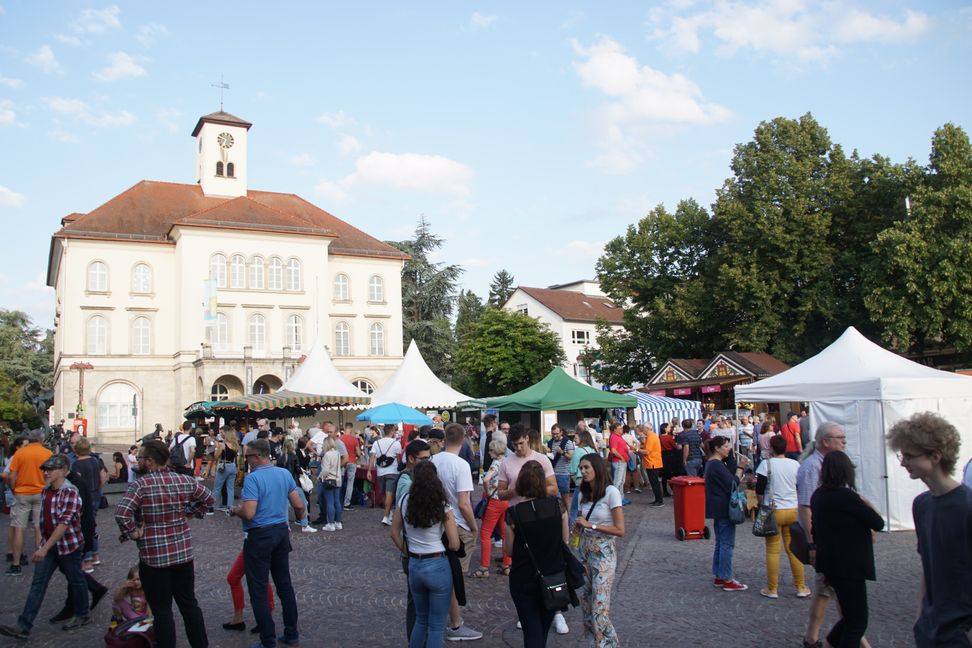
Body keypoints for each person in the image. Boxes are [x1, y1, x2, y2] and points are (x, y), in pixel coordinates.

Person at [115, 440, 213, 648]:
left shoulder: (140, 485)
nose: (139, 461)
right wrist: (190, 514)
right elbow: (208, 499)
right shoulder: (183, 480)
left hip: (154, 558)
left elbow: (122, 512)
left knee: (161, 610)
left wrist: (133, 532)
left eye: (141, 458)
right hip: (182, 554)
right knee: (189, 605)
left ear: (150, 461)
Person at [886, 412, 972, 647]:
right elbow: (927, 564)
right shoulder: (921, 505)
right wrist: (920, 617)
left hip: (961, 631)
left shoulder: (967, 505)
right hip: (931, 628)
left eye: (909, 456)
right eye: (901, 455)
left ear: (936, 456)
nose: (903, 462)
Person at [796, 421, 871, 648]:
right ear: (826, 442)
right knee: (842, 598)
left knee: (826, 592)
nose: (844, 442)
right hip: (829, 544)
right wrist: (812, 544)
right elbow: (805, 507)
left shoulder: (831, 465)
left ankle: (813, 639)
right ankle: (853, 639)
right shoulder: (812, 467)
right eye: (841, 438)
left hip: (836, 544)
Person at [0, 454, 89, 639]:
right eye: (45, 470)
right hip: (50, 545)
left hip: (68, 545)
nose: (46, 473)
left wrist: (44, 548)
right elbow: (44, 521)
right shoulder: (46, 491)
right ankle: (24, 625)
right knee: (38, 584)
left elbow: (64, 524)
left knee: (76, 580)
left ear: (63, 471)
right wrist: (42, 545)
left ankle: (82, 614)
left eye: (50, 470)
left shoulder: (70, 492)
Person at [233, 438, 305, 648]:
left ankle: (267, 640)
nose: (246, 461)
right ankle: (291, 633)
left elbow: (249, 512)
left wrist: (235, 510)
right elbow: (299, 505)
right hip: (281, 532)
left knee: (258, 588)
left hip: (260, 535)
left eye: (247, 457)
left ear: (256, 457)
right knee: (284, 585)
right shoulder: (283, 473)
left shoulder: (253, 479)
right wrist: (300, 519)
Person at [811, 451, 884, 648]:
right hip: (851, 565)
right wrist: (867, 504)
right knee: (857, 621)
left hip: (830, 564)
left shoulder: (818, 496)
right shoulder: (847, 497)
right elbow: (878, 523)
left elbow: (814, 530)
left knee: (851, 617)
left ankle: (829, 643)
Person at [390, 461, 460, 648]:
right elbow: (454, 543)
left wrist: (407, 551)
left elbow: (394, 533)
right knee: (436, 625)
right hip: (437, 562)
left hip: (415, 562)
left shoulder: (405, 500)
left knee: (420, 620)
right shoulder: (442, 504)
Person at [504, 460, 570, 648]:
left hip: (523, 577)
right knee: (542, 629)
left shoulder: (513, 513)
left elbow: (509, 550)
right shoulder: (558, 507)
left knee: (531, 631)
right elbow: (564, 539)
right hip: (552, 575)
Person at [431, 423, 482, 642]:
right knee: (455, 577)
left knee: (444, 573)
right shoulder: (460, 465)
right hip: (458, 525)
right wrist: (473, 526)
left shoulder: (433, 461)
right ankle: (455, 623)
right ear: (463, 441)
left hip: (437, 524)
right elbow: (464, 503)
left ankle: (446, 620)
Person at [574, 453, 625, 647]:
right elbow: (582, 521)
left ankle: (609, 645)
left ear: (597, 468)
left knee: (599, 609)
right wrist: (578, 529)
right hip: (585, 553)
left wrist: (592, 526)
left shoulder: (611, 492)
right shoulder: (582, 494)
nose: (583, 471)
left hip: (604, 555)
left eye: (587, 467)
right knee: (586, 606)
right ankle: (593, 644)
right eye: (581, 468)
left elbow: (620, 530)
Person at [755, 434, 809, 599]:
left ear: (771, 448)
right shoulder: (795, 464)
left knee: (772, 550)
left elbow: (760, 489)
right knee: (793, 549)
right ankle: (800, 586)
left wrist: (760, 506)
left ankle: (772, 588)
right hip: (793, 509)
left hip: (774, 510)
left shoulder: (766, 464)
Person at [704, 435, 749, 591]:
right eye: (726, 446)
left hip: (717, 507)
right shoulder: (716, 464)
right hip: (724, 507)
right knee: (726, 543)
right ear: (717, 448)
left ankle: (719, 575)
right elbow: (732, 484)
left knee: (721, 542)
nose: (729, 449)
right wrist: (741, 468)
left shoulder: (712, 464)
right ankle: (726, 578)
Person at [5, 429, 51, 577]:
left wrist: (14, 490)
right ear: (42, 440)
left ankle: (16, 564)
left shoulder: (20, 453)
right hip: (40, 492)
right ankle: (41, 559)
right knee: (39, 527)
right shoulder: (47, 453)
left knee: (19, 528)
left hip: (22, 493)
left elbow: (12, 476)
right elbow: (51, 475)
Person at [474, 438, 512, 578]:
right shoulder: (508, 462)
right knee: (504, 533)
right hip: (505, 500)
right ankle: (507, 564)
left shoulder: (496, 464)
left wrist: (488, 491)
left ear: (495, 451)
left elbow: (486, 479)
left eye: (490, 450)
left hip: (495, 501)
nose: (488, 452)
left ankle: (484, 567)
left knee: (485, 533)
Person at [70, 437, 108, 573]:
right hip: (96, 495)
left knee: (84, 528)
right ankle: (95, 554)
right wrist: (97, 488)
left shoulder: (76, 464)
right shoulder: (95, 460)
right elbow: (104, 476)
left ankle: (87, 559)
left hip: (83, 499)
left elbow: (77, 482)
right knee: (91, 526)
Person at [371, 423, 403, 526]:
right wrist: (400, 467)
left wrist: (369, 470)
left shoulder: (377, 443)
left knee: (384, 493)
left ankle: (388, 514)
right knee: (390, 493)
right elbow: (398, 458)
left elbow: (372, 456)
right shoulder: (396, 443)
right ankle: (385, 516)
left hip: (380, 471)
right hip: (393, 471)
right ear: (392, 432)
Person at [568, 429, 597, 527]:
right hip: (593, 482)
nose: (574, 440)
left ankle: (572, 532)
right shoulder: (593, 450)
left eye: (576, 438)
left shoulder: (578, 451)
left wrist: (575, 480)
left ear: (582, 438)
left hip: (581, 482)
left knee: (575, 509)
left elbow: (572, 469)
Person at [109, 565, 150, 630]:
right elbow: (116, 598)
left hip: (143, 615)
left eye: (138, 579)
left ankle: (136, 623)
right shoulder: (130, 589)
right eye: (133, 580)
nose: (136, 582)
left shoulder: (146, 590)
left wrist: (147, 618)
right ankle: (118, 619)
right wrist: (123, 587)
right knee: (117, 602)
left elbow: (149, 608)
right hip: (132, 613)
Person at [546, 424, 575, 512]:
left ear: (561, 432)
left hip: (563, 474)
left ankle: (569, 521)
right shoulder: (550, 442)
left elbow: (570, 457)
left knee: (565, 499)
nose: (555, 436)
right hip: (552, 474)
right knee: (554, 499)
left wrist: (562, 452)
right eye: (553, 434)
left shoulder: (567, 442)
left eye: (557, 434)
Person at [318, 436, 343, 531]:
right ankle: (338, 522)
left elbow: (325, 470)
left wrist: (319, 476)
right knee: (337, 502)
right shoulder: (337, 453)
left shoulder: (327, 455)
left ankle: (331, 523)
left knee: (330, 502)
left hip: (329, 480)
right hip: (338, 479)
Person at [212, 425, 239, 512]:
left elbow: (216, 456)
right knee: (230, 488)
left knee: (217, 487)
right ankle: (229, 506)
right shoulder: (235, 445)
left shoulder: (222, 445)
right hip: (232, 465)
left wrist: (217, 447)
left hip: (224, 466)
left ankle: (212, 506)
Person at [638, 423, 664, 506]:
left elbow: (647, 451)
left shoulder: (651, 437)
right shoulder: (650, 436)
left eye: (643, 428)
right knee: (653, 482)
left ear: (647, 428)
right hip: (652, 462)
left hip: (653, 462)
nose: (642, 430)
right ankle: (657, 499)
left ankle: (659, 500)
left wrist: (637, 449)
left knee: (655, 482)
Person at [339, 422, 360, 510]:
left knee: (340, 481)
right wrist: (357, 456)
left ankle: (338, 500)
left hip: (342, 462)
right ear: (351, 429)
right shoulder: (354, 439)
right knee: (350, 483)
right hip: (352, 461)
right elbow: (358, 453)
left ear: (344, 428)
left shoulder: (340, 439)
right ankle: (347, 503)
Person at [658, 422, 681, 496]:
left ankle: (664, 491)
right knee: (672, 474)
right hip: (670, 456)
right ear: (665, 429)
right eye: (668, 427)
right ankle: (674, 490)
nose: (670, 428)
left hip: (663, 456)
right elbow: (675, 446)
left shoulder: (659, 437)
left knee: (664, 475)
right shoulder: (669, 437)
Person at [605, 422, 629, 494]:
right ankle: (615, 499)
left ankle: (620, 498)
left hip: (621, 461)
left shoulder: (618, 436)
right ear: (615, 429)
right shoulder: (614, 437)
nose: (622, 429)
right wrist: (621, 457)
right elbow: (613, 450)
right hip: (619, 461)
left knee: (621, 482)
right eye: (620, 428)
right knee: (617, 482)